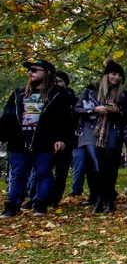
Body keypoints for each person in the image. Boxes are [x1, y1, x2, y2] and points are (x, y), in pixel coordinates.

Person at [0, 60, 74, 218]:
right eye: (29, 70)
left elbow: (65, 120)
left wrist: (62, 139)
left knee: (43, 173)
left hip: (45, 142)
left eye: (34, 69)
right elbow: (7, 117)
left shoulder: (58, 95)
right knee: (17, 174)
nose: (30, 72)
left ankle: (40, 205)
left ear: (47, 72)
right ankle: (12, 206)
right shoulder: (18, 94)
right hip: (19, 142)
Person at [84, 60, 127, 213]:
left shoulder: (125, 96)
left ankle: (108, 199)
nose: (116, 77)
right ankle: (98, 198)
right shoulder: (90, 91)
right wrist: (95, 110)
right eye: (114, 74)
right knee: (96, 168)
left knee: (110, 168)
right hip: (93, 133)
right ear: (107, 75)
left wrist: (118, 112)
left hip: (113, 134)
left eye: (120, 75)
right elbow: (79, 109)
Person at [48, 70, 81, 208]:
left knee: (61, 171)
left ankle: (55, 197)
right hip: (48, 138)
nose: (57, 84)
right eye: (54, 81)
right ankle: (41, 196)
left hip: (67, 139)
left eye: (60, 81)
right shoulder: (48, 97)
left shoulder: (72, 99)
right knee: (44, 169)